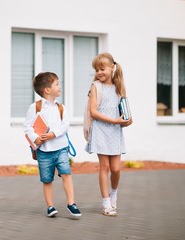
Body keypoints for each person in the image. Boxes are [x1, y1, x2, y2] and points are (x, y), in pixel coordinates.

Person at [24, 72, 82, 218]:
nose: (59, 86)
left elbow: (65, 125)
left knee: (66, 174)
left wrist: (53, 134)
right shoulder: (35, 107)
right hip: (43, 151)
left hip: (61, 148)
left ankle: (71, 204)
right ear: (47, 90)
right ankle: (50, 207)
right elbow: (27, 127)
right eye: (57, 84)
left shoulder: (61, 107)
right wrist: (35, 138)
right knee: (47, 179)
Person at [85, 53, 133, 216]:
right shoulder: (95, 86)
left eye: (102, 68)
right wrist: (114, 121)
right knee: (104, 167)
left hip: (115, 131)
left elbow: (125, 110)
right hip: (100, 129)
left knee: (116, 168)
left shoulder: (120, 86)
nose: (99, 72)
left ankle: (114, 194)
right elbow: (93, 112)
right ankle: (106, 203)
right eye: (96, 69)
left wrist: (128, 119)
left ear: (112, 67)